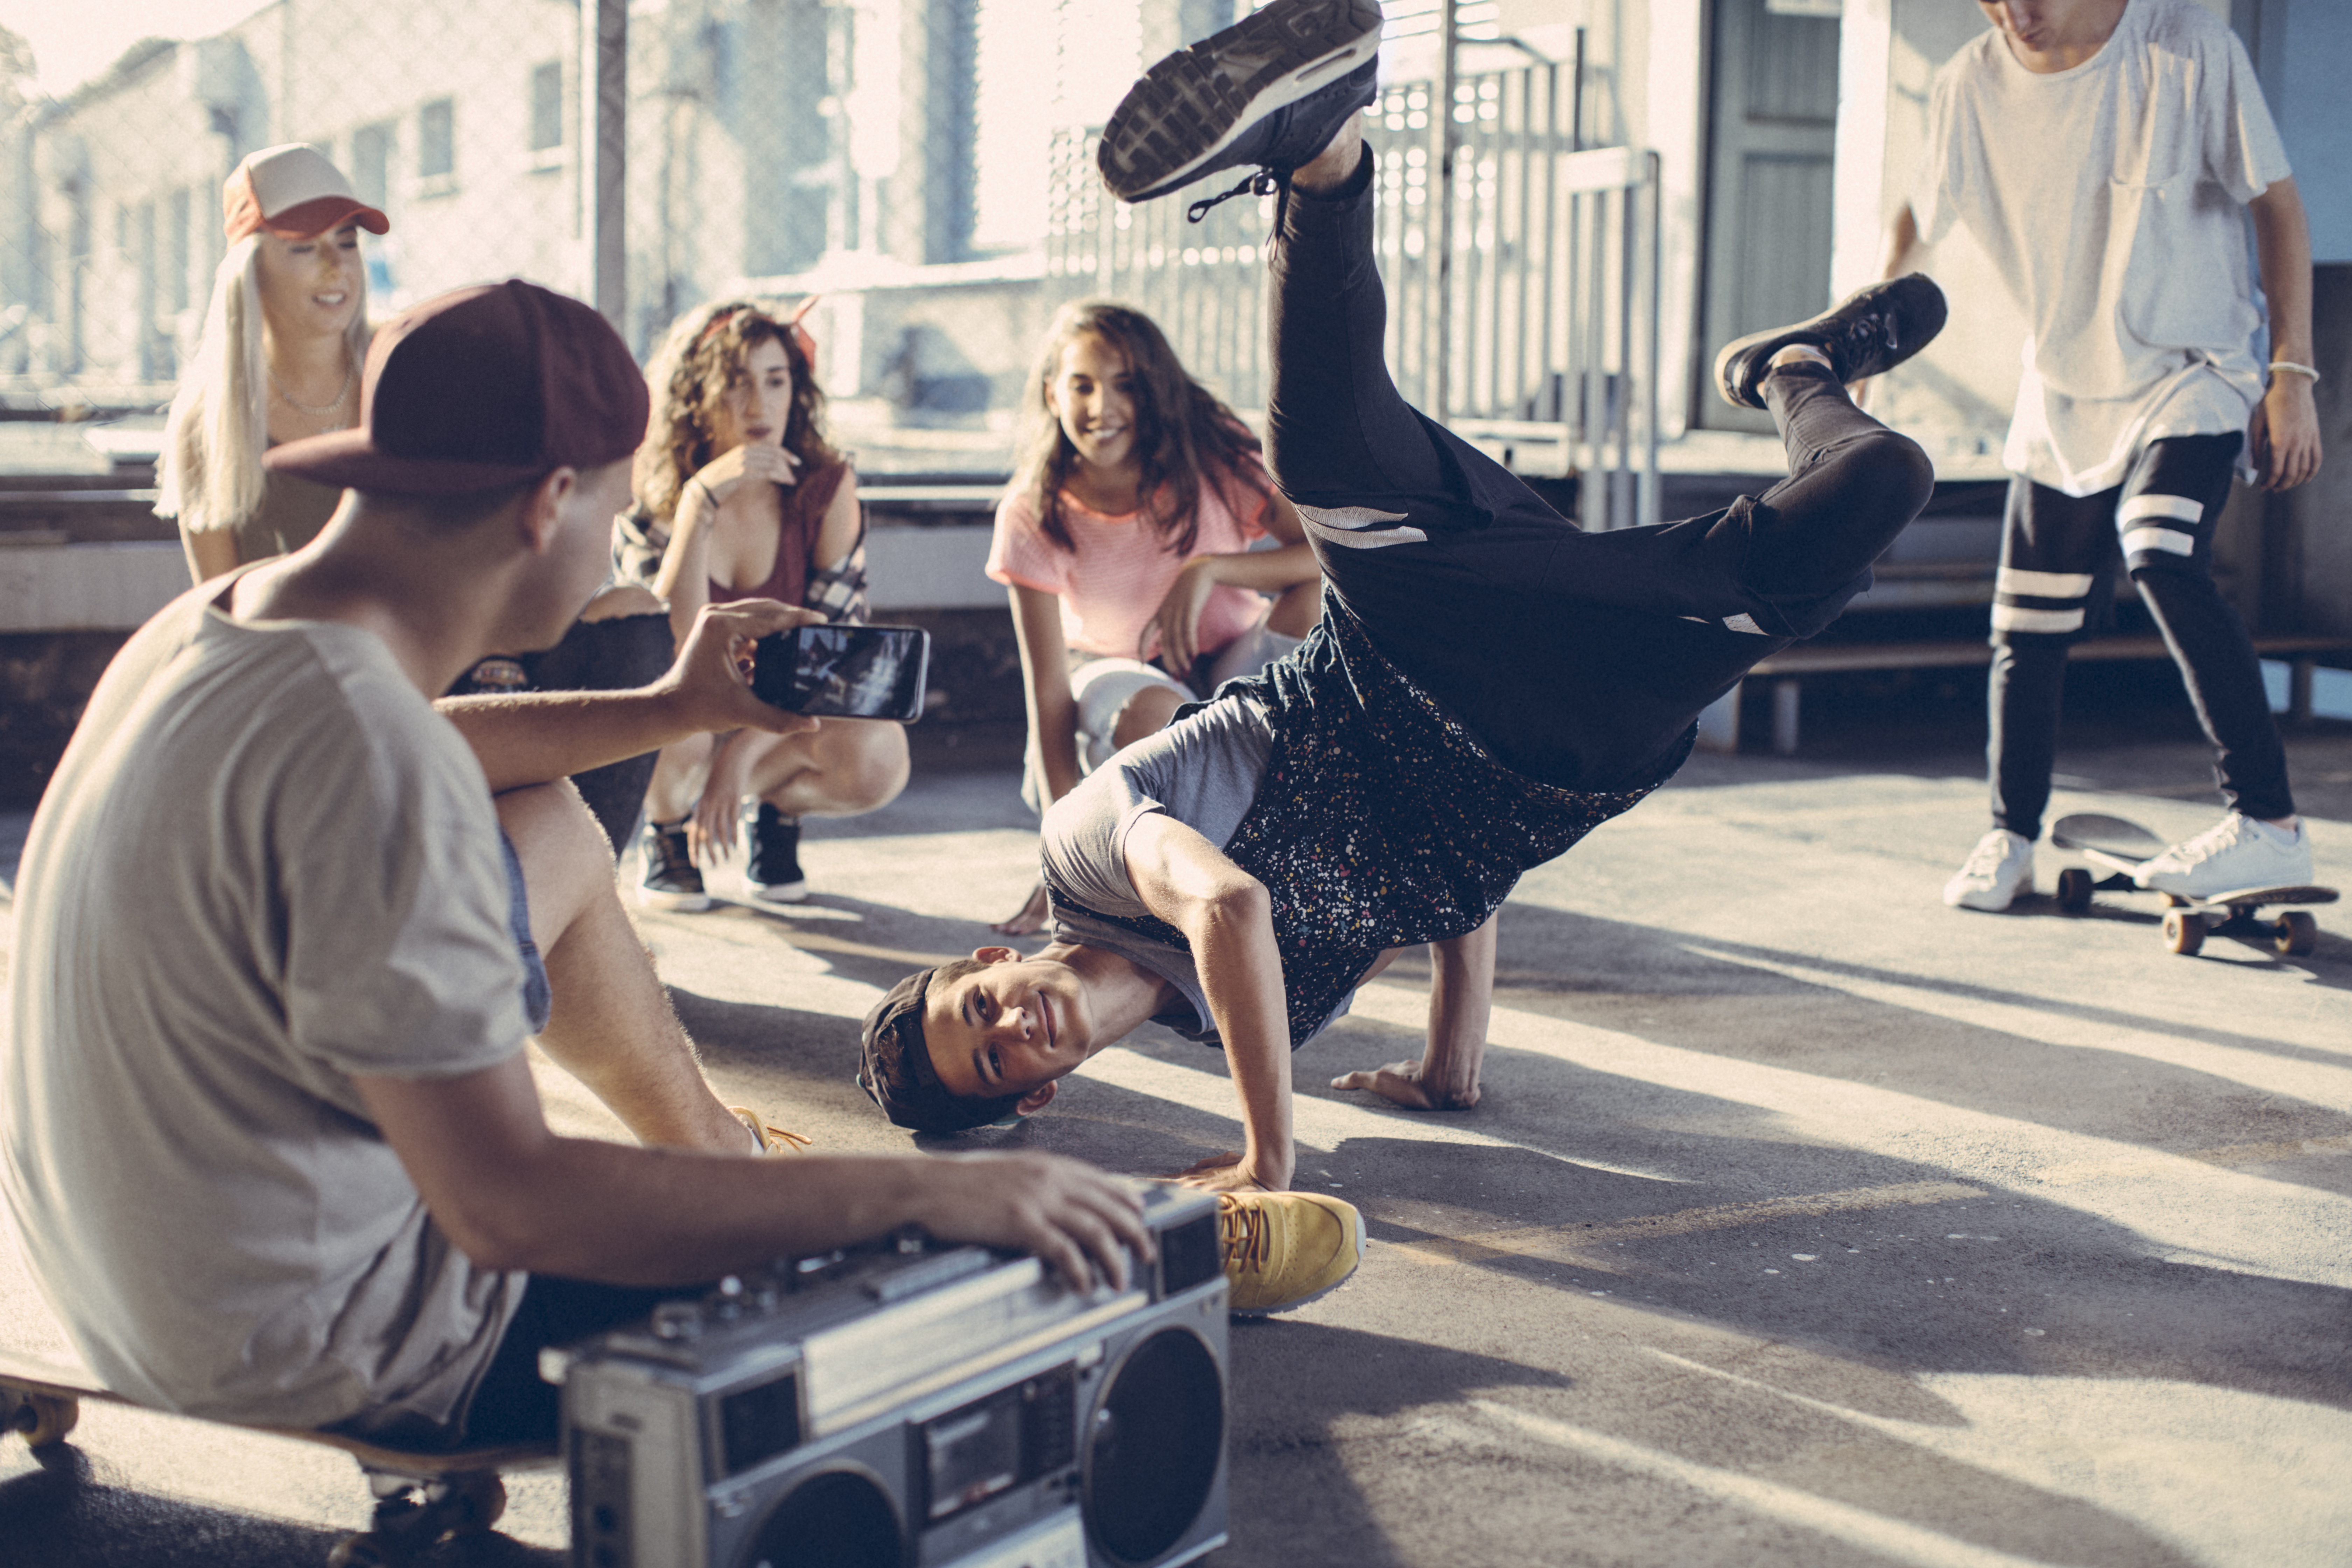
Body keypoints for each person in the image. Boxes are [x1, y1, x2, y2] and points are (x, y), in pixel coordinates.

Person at [0, 277, 1237, 1449]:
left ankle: (710, 1150)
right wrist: (922, 1199)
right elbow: (510, 1206)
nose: (619, 554)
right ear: (548, 505)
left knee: (552, 826)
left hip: (111, 1276)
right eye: (613, 512)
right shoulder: (374, 770)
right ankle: (816, 1206)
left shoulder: (222, 624)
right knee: (966, 1281)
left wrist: (671, 701)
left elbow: (422, 737)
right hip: (318, 1341)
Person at [856, 0, 1945, 1196]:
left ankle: (1324, 158)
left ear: (983, 957)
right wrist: (1449, 1056)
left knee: (1323, 462)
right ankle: (1795, 374)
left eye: (979, 1011)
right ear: (1036, 1094)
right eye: (995, 1063)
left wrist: (1271, 1154)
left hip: (1414, 643)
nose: (1013, 1029)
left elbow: (1224, 904)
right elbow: (1431, 880)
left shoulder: (1087, 857)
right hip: (1563, 753)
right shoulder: (1219, 1024)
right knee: (1877, 489)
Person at [1898, 0, 2324, 912]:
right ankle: (2009, 835)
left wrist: (2292, 375)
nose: (2014, 9)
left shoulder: (2188, 46)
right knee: (2027, 626)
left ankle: (2270, 827)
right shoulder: (1968, 82)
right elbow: (1920, 212)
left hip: (2194, 366)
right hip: (2063, 384)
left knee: (2162, 553)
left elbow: (2279, 207)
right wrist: (1860, 342)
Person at [988, 300, 1322, 934]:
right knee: (1159, 720)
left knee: (1314, 608)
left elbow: (1323, 557)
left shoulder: (1214, 461)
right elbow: (1049, 698)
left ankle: (1298, 836)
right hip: (1116, 678)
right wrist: (1061, 858)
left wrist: (1211, 569)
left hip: (1230, 666)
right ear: (1051, 393)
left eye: (1125, 385)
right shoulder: (1031, 512)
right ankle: (1183, 878)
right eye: (1082, 385)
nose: (1101, 407)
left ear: (1156, 392)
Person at [615, 299, 909, 911]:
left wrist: (742, 756)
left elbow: (837, 654)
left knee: (881, 755)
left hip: (781, 716)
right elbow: (667, 654)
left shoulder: (825, 486)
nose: (759, 405)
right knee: (683, 728)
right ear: (696, 395)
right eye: (737, 383)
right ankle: (667, 832)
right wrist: (699, 504)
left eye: (776, 381)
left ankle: (774, 814)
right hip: (679, 713)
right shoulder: (654, 489)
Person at [155, 142, 384, 581]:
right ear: (252, 270)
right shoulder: (209, 421)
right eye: (304, 248)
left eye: (347, 241)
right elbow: (221, 605)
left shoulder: (401, 368)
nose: (336, 265)